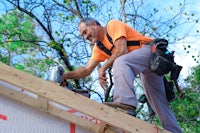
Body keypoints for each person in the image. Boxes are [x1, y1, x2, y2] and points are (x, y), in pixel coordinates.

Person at [62, 18, 183, 133]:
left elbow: (122, 50)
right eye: (83, 35)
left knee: (121, 61)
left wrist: (103, 68)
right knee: (158, 102)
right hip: (146, 68)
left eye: (85, 32)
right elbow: (85, 70)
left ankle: (125, 105)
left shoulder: (112, 26)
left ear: (94, 24)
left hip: (151, 53)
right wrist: (64, 76)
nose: (85, 37)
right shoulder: (99, 48)